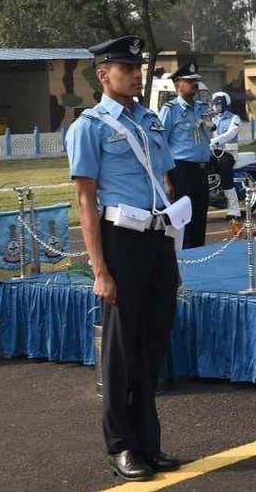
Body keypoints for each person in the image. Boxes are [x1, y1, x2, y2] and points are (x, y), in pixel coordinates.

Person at [65, 35, 182, 481]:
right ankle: (121, 446)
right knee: (120, 349)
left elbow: (165, 182)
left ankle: (149, 443)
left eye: (138, 67)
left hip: (157, 239)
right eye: (127, 67)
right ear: (103, 74)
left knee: (153, 344)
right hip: (121, 240)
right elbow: (85, 202)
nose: (136, 74)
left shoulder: (150, 120)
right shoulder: (89, 127)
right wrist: (100, 270)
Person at [158, 62, 211, 249]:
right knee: (183, 219)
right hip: (181, 170)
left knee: (200, 215)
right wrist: (166, 179)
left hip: (201, 169)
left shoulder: (202, 108)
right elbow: (161, 145)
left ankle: (199, 252)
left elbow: (208, 135)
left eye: (195, 81)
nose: (194, 85)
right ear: (177, 84)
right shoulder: (170, 110)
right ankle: (185, 255)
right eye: (189, 81)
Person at [208, 90, 243, 235]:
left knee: (225, 170)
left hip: (228, 152)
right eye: (214, 103)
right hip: (212, 151)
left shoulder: (234, 118)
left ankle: (234, 209)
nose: (215, 106)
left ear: (225, 104)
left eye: (218, 103)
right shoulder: (212, 119)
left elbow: (230, 134)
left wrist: (214, 140)